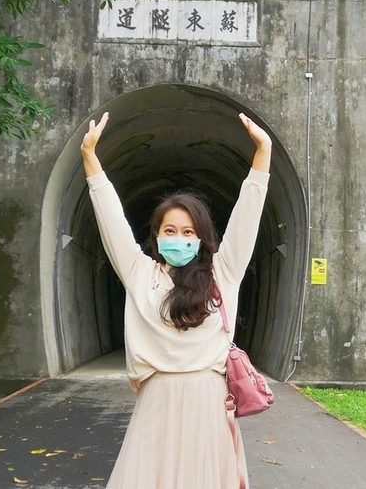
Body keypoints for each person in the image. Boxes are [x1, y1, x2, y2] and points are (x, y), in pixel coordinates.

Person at [80, 110, 272, 489]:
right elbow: (112, 220)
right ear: (156, 236)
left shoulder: (223, 272)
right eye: (170, 230)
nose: (178, 237)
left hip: (208, 400)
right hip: (156, 397)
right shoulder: (140, 273)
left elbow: (247, 216)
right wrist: (90, 157)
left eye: (188, 231)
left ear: (201, 238)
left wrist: (262, 154)